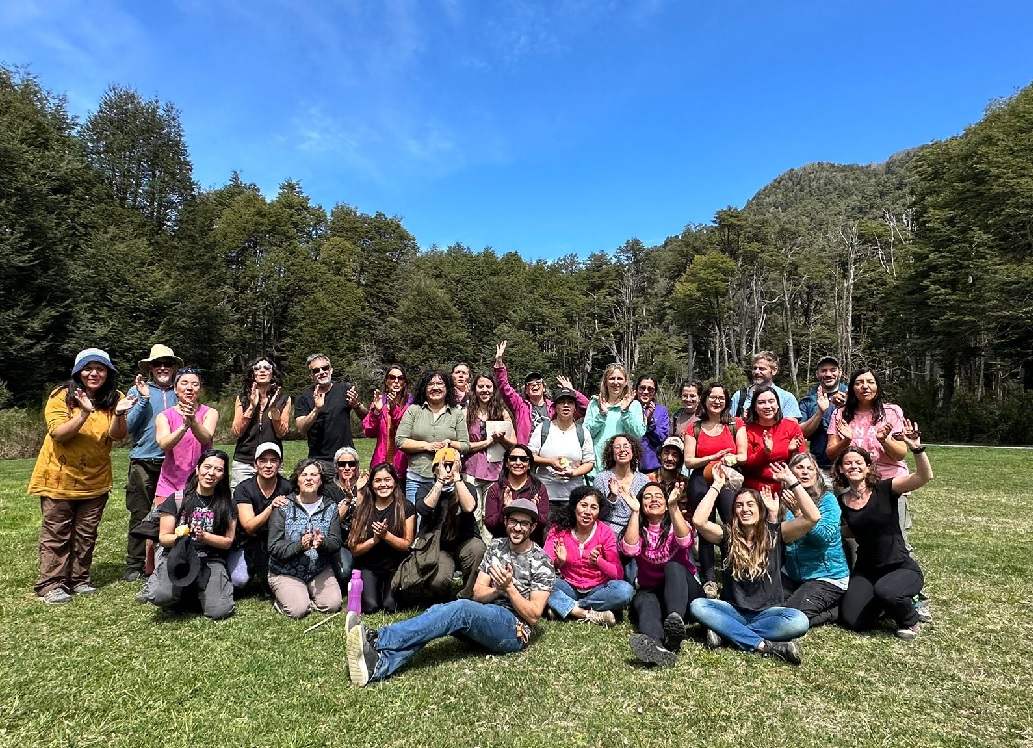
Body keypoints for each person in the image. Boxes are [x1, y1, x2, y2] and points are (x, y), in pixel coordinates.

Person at [346, 497, 556, 687]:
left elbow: (534, 615)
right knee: (440, 613)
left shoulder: (541, 561)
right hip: (487, 614)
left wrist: (510, 589)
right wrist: (497, 590)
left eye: (524, 523)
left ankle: (378, 638)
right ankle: (380, 664)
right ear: (506, 522)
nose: (517, 528)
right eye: (513, 521)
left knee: (460, 609)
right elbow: (477, 593)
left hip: (514, 630)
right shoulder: (497, 547)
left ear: (533, 526)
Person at [29, 348, 133, 604]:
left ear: (109, 373)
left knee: (86, 533)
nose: (94, 373)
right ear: (78, 372)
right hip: (59, 478)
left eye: (100, 369)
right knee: (57, 532)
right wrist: (85, 412)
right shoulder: (62, 396)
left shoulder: (114, 398)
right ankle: (52, 583)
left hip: (95, 479)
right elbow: (59, 433)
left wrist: (119, 413)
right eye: (88, 368)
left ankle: (79, 579)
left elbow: (118, 436)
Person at [689, 463, 820, 665]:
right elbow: (699, 521)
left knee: (799, 621)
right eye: (739, 505)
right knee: (698, 606)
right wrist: (716, 486)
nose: (745, 509)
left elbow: (813, 517)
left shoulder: (776, 534)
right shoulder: (727, 535)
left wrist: (791, 481)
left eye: (750, 504)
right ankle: (765, 646)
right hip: (733, 609)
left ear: (760, 509)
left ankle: (727, 632)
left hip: (769, 613)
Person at [834, 420, 933, 640]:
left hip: (899, 566)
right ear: (841, 469)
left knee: (887, 591)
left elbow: (923, 477)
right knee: (853, 621)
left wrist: (916, 448)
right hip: (867, 569)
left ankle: (910, 618)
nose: (853, 467)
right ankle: (886, 602)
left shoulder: (886, 488)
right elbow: (851, 529)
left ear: (868, 466)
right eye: (848, 463)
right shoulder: (842, 500)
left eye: (859, 462)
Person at [825, 368, 917, 552]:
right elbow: (831, 453)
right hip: (853, 482)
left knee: (894, 537)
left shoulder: (892, 412)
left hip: (889, 482)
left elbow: (900, 454)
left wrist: (884, 440)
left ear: (877, 386)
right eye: (859, 383)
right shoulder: (840, 414)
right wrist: (846, 440)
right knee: (854, 537)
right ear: (851, 388)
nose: (865, 387)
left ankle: (902, 574)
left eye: (870, 382)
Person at [624, 482, 705, 666]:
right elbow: (629, 550)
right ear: (641, 504)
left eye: (658, 496)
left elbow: (685, 542)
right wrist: (635, 513)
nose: (653, 499)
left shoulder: (676, 523)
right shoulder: (637, 528)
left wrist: (673, 506)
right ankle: (657, 646)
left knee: (673, 566)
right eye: (647, 496)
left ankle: (673, 625)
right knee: (644, 600)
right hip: (652, 590)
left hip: (684, 593)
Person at [150, 449, 237, 620]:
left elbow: (228, 542)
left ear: (223, 474)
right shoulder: (177, 499)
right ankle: (181, 593)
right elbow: (163, 538)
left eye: (218, 469)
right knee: (161, 596)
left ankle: (195, 592)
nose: (211, 473)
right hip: (178, 557)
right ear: (197, 469)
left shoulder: (227, 503)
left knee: (219, 611)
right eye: (207, 467)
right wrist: (183, 537)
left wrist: (205, 537)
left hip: (210, 559)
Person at [682, 382, 748, 597]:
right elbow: (689, 461)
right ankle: (709, 579)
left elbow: (743, 455)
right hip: (701, 479)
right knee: (705, 526)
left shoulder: (735, 424)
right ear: (705, 400)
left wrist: (730, 458)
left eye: (721, 398)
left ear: (727, 402)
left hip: (727, 477)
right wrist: (711, 458)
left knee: (731, 524)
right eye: (713, 397)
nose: (717, 401)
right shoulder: (694, 428)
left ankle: (733, 573)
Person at [123, 344, 181, 582]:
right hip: (144, 461)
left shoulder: (182, 391)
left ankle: (166, 558)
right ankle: (134, 564)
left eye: (167, 363)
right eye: (157, 364)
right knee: (140, 513)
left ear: (174, 367)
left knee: (173, 514)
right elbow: (128, 426)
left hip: (175, 463)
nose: (163, 367)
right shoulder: (137, 391)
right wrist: (144, 399)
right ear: (150, 368)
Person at [543, 486, 633, 626]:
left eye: (593, 507)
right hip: (568, 587)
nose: (587, 512)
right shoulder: (559, 529)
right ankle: (585, 613)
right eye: (583, 505)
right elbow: (543, 565)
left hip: (598, 589)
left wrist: (599, 562)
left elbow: (618, 574)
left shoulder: (606, 532)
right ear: (574, 507)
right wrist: (559, 562)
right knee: (541, 582)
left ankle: (568, 607)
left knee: (625, 590)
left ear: (598, 512)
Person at [267, 458, 344, 619]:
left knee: (332, 605)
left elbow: (336, 542)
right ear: (297, 480)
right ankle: (291, 595)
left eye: (314, 475)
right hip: (286, 570)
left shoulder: (331, 507)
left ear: (321, 480)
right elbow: (274, 546)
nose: (309, 478)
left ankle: (303, 593)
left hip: (318, 569)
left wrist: (323, 543)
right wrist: (299, 546)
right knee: (297, 610)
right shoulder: (283, 506)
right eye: (304, 475)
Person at [782, 452, 849, 627]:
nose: (805, 472)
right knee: (767, 605)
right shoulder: (784, 500)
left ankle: (835, 612)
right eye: (800, 467)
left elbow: (823, 538)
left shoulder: (827, 500)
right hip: (792, 574)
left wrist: (799, 514)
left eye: (810, 468)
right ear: (790, 473)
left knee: (791, 616)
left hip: (827, 577)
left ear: (817, 474)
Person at [413, 449, 487, 602]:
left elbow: (469, 507)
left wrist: (457, 478)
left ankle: (468, 595)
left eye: (451, 465)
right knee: (438, 582)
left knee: (478, 548)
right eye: (444, 466)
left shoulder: (467, 487)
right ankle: (442, 597)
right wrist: (440, 482)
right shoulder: (425, 489)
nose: (448, 470)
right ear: (435, 469)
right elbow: (425, 508)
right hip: (439, 548)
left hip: (464, 543)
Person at [347, 463, 416, 613]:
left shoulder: (406, 507)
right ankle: (374, 589)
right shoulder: (363, 509)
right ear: (371, 485)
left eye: (387, 480)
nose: (383, 484)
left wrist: (386, 536)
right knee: (370, 607)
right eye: (377, 481)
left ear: (395, 482)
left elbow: (407, 546)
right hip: (369, 566)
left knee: (390, 606)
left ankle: (387, 591)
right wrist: (375, 540)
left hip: (395, 566)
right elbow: (354, 549)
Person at [396, 369, 470, 505]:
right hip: (417, 478)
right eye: (430, 384)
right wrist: (427, 446)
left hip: (448, 480)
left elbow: (465, 445)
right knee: (416, 523)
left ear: (447, 388)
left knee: (444, 524)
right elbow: (400, 440)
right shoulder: (413, 410)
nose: (435, 387)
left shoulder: (456, 414)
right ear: (424, 388)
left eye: (440, 384)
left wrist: (451, 443)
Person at [493, 339, 589, 444]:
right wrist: (499, 363)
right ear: (526, 391)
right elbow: (504, 387)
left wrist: (572, 391)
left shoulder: (555, 408)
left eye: (538, 382)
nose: (534, 385)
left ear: (544, 388)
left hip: (550, 454)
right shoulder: (520, 406)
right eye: (530, 384)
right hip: (527, 454)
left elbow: (585, 407)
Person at [528, 387, 596, 523]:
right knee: (547, 535)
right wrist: (549, 462)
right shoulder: (543, 429)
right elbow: (529, 456)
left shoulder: (582, 432)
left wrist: (574, 473)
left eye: (570, 403)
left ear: (575, 408)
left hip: (573, 496)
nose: (566, 405)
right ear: (554, 407)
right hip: (545, 494)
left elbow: (589, 462)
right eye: (561, 402)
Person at [461, 372, 515, 540]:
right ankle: (474, 551)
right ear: (474, 389)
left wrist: (501, 439)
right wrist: (487, 443)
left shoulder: (502, 413)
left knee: (490, 515)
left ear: (494, 389)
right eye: (481, 386)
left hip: (495, 470)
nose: (485, 390)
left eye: (488, 387)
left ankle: (489, 552)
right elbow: (462, 445)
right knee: (473, 513)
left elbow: (514, 445)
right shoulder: (465, 414)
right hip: (471, 470)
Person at [232, 442, 291, 593]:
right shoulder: (243, 489)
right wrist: (271, 507)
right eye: (263, 460)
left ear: (280, 464)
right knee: (239, 580)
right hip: (248, 539)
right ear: (255, 464)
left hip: (277, 539)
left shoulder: (288, 487)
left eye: (273, 460)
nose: (268, 465)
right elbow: (249, 526)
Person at [295, 354, 367, 465]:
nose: (321, 372)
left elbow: (365, 417)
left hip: (346, 457)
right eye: (316, 370)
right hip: (319, 459)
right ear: (311, 375)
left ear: (331, 370)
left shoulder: (345, 389)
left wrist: (356, 405)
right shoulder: (304, 397)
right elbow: (301, 429)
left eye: (325, 368)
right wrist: (316, 409)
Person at [230, 355, 290, 488]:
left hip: (271, 462)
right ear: (252, 373)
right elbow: (237, 431)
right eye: (257, 368)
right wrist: (252, 406)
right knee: (241, 502)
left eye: (266, 368)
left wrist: (274, 409)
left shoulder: (283, 399)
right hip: (244, 462)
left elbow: (281, 433)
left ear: (272, 372)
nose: (262, 370)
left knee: (274, 503)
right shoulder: (242, 398)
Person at [584, 363, 646, 478]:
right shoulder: (594, 404)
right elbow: (586, 433)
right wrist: (601, 414)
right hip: (598, 467)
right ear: (605, 382)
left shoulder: (634, 405)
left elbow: (638, 434)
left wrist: (625, 412)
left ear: (626, 382)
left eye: (619, 378)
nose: (616, 382)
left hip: (625, 469)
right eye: (612, 378)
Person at [742, 385, 806, 494]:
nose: (767, 406)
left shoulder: (791, 427)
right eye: (761, 402)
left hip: (787, 487)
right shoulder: (747, 430)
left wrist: (791, 451)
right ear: (755, 407)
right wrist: (765, 452)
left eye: (771, 401)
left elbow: (803, 461)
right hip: (755, 489)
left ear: (777, 405)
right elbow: (747, 466)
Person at [484, 444, 550, 544]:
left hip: (531, 546)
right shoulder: (496, 489)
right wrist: (505, 510)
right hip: (502, 544)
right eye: (513, 459)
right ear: (506, 463)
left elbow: (543, 524)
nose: (518, 463)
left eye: (523, 459)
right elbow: (490, 526)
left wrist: (533, 512)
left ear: (529, 465)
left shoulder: (539, 488)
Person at [592, 435, 650, 541]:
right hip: (607, 535)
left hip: (635, 534)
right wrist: (612, 497)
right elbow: (599, 513)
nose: (622, 450)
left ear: (633, 451)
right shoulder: (602, 478)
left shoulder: (644, 480)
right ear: (612, 453)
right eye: (617, 447)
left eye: (626, 446)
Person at [798, 356, 848, 469]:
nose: (828, 374)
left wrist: (844, 406)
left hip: (850, 464)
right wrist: (820, 412)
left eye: (833, 370)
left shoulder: (853, 395)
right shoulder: (808, 400)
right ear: (817, 374)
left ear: (840, 373)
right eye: (823, 371)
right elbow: (801, 433)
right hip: (820, 466)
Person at [361, 365, 412, 474]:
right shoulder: (379, 402)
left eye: (400, 378)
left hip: (403, 466)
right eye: (392, 377)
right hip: (380, 464)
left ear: (405, 382)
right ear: (386, 381)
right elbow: (369, 432)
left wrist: (393, 409)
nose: (396, 381)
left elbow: (404, 430)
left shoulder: (411, 403)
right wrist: (376, 412)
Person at [326, 446, 365, 585]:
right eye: (342, 464)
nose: (347, 468)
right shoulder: (329, 490)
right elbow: (333, 522)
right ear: (336, 467)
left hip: (361, 539)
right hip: (340, 541)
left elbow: (364, 517)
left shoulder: (365, 486)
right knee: (345, 572)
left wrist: (359, 492)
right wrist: (348, 499)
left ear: (357, 466)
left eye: (351, 464)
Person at [729, 351, 802, 421]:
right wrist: (741, 420)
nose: (757, 372)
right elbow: (728, 426)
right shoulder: (739, 396)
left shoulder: (786, 398)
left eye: (762, 369)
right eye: (754, 368)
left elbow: (792, 428)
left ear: (774, 370)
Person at [635, 375, 670, 473]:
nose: (645, 392)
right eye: (642, 388)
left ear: (654, 392)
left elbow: (662, 439)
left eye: (650, 389)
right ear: (636, 389)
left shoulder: (661, 411)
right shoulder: (628, 409)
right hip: (629, 466)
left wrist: (650, 422)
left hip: (652, 467)